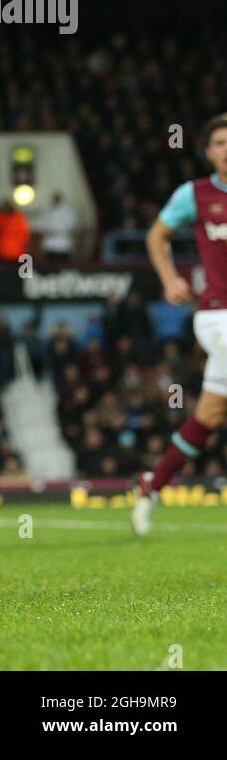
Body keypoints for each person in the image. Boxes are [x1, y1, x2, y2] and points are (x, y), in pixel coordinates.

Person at [133, 113, 227, 534]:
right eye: (220, 142)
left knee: (208, 414)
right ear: (208, 152)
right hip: (216, 314)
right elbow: (157, 236)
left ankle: (151, 485)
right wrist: (170, 278)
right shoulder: (196, 193)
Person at [39, 191, 78, 262]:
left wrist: (59, 231)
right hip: (50, 243)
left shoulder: (68, 211)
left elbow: (71, 225)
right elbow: (43, 224)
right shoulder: (48, 211)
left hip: (63, 243)